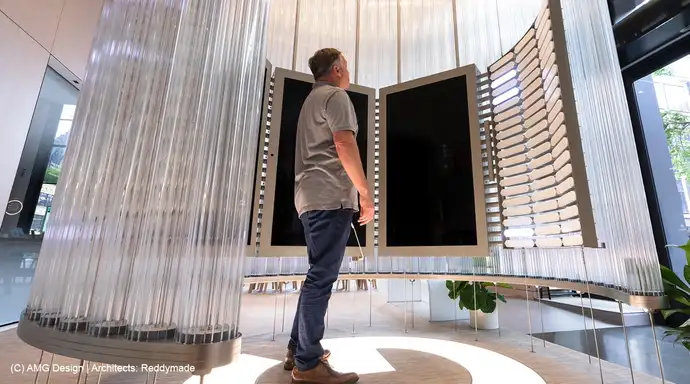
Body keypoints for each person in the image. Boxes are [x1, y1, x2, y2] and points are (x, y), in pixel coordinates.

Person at [283, 48, 374, 384]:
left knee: (315, 277)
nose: (348, 72)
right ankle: (307, 365)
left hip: (309, 199)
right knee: (321, 279)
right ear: (337, 69)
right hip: (330, 199)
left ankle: (298, 349)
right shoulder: (336, 96)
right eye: (346, 66)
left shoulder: (310, 101)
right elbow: (343, 143)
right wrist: (365, 193)